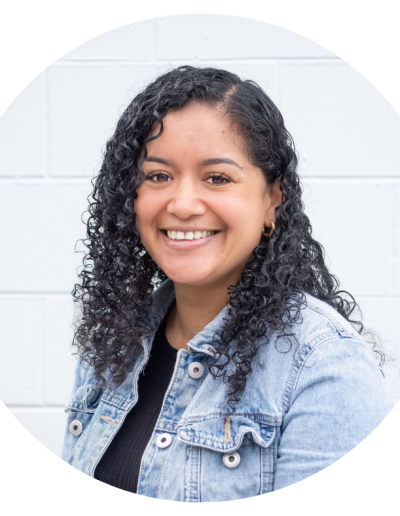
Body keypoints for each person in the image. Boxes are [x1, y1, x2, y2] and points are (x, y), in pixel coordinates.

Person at [62, 66, 392, 501]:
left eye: (217, 178)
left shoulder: (324, 368)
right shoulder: (114, 344)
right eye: (158, 176)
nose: (182, 205)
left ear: (273, 199)